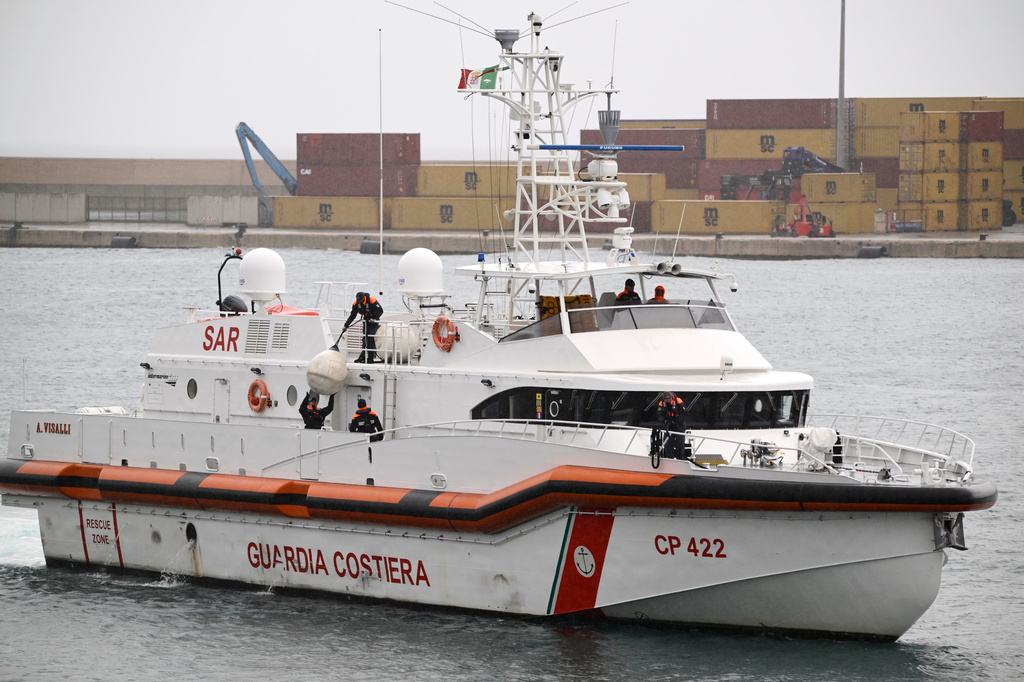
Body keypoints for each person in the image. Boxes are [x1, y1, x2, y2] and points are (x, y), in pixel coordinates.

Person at [342, 292, 384, 363]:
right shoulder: (356, 304)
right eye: (358, 300)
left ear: (363, 298)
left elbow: (380, 311)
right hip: (366, 321)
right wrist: (346, 326)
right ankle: (363, 356)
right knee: (365, 338)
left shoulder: (372, 300)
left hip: (373, 321)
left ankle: (371, 357)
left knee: (370, 338)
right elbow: (352, 316)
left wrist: (374, 318)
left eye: (360, 300)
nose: (359, 302)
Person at [656, 392, 691, 460]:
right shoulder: (661, 403)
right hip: (668, 426)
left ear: (671, 397)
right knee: (667, 443)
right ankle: (670, 458)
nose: (668, 400)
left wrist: (676, 421)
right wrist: (665, 421)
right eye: (666, 399)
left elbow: (684, 413)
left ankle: (680, 458)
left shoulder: (678, 401)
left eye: (669, 399)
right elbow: (659, 415)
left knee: (680, 443)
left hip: (679, 425)